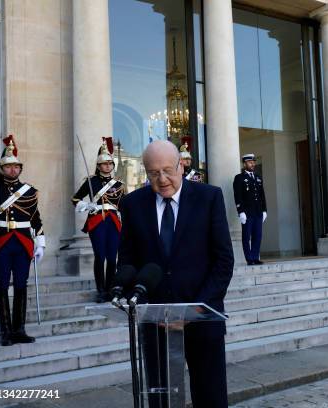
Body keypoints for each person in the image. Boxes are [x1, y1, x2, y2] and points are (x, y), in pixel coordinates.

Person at [117, 140, 233, 407]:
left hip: (203, 319)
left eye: (168, 170)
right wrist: (139, 300)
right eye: (154, 173)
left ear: (181, 166)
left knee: (210, 397)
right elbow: (127, 260)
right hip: (156, 323)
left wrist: (192, 312)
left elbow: (224, 261)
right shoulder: (133, 204)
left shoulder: (209, 197)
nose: (163, 179)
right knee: (162, 400)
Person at [0, 135, 46, 346]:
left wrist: (40, 243)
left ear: (20, 168)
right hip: (1, 242)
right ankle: (5, 331)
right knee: (3, 285)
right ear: (2, 168)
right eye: (8, 167)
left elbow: (36, 219)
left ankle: (19, 328)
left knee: (21, 284)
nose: (12, 170)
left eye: (16, 167)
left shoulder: (29, 191)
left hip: (23, 243)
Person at [71, 137, 125, 302]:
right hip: (97, 220)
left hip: (114, 221)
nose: (107, 166)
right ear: (99, 165)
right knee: (100, 256)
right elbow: (75, 199)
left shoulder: (119, 184)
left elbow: (124, 205)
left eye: (110, 163)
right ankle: (100, 290)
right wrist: (87, 206)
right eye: (104, 164)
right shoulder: (90, 181)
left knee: (111, 257)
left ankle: (110, 289)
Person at [233, 153, 267, 265]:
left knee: (258, 236)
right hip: (247, 213)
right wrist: (240, 211)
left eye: (253, 162)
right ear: (244, 163)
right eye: (250, 162)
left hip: (258, 212)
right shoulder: (239, 178)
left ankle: (255, 257)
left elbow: (262, 195)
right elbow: (238, 196)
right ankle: (249, 259)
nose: (252, 164)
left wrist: (264, 210)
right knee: (246, 236)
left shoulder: (257, 177)